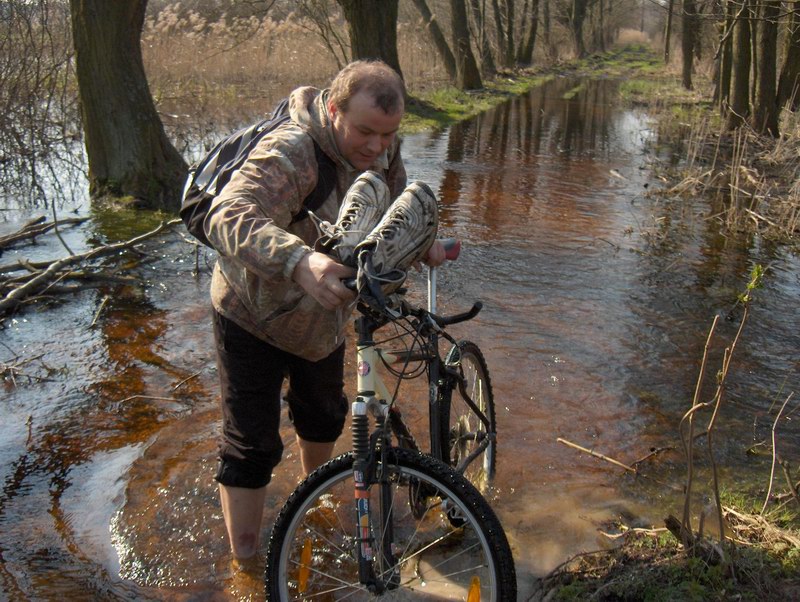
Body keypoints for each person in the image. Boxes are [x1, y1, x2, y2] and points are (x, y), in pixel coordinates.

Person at [203, 59, 445, 562]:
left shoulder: (383, 144)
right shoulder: (292, 151)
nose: (377, 147)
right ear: (333, 109)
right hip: (252, 312)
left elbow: (396, 205)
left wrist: (426, 243)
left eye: (389, 134)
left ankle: (313, 505)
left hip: (325, 319)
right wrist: (297, 260)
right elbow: (225, 216)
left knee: (323, 418)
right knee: (252, 446)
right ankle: (244, 566)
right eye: (365, 132)